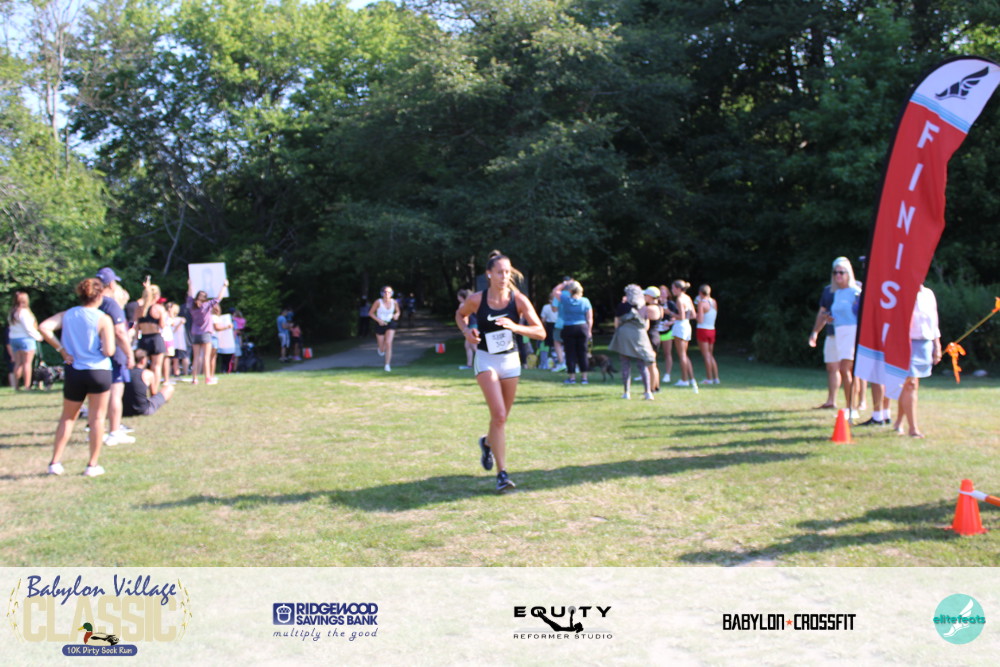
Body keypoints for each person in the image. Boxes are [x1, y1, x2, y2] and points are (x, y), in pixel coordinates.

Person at [455, 253, 545, 492]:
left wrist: (516, 327)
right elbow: (460, 315)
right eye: (499, 272)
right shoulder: (477, 299)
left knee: (501, 418)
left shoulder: (519, 300)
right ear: (489, 274)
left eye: (507, 272)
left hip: (510, 361)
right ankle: (502, 474)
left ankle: (487, 443)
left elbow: (541, 332)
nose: (504, 276)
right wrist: (466, 331)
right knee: (499, 413)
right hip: (486, 359)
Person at [37, 278, 116, 477]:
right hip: (98, 371)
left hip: (74, 369)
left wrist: (62, 350)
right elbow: (109, 351)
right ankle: (92, 465)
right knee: (97, 419)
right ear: (99, 295)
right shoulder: (103, 318)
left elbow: (44, 327)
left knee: (68, 417)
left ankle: (55, 462)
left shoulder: (68, 314)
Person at [893, 285, 942, 438]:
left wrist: (937, 345)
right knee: (910, 384)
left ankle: (899, 421)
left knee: (910, 384)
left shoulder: (928, 293)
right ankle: (913, 429)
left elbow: (934, 321)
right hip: (906, 342)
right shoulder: (901, 292)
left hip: (924, 343)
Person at [96, 267, 136, 446]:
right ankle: (114, 431)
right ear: (111, 284)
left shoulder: (91, 302)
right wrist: (129, 353)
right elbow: (120, 332)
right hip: (113, 351)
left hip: (95, 353)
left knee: (98, 394)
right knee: (115, 392)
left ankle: (97, 430)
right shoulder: (111, 304)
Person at [825, 257, 862, 418]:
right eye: (835, 272)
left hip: (852, 332)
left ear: (849, 274)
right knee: (845, 370)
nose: (838, 275)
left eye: (841, 272)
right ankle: (850, 407)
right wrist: (830, 319)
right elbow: (839, 314)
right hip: (839, 331)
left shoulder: (856, 292)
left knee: (846, 369)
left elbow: (861, 314)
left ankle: (852, 408)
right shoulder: (837, 293)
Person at [608, 284, 657, 400]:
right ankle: (648, 392)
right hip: (640, 336)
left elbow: (616, 323)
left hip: (624, 336)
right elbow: (646, 326)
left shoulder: (622, 306)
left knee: (625, 364)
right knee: (642, 365)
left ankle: (626, 392)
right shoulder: (644, 308)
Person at [187, 278, 228, 385]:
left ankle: (194, 379)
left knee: (196, 357)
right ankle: (208, 378)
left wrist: (190, 284)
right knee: (206, 357)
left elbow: (189, 295)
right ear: (205, 298)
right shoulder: (206, 305)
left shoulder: (191, 305)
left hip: (195, 334)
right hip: (205, 333)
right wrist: (224, 286)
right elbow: (219, 298)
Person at [553, 279, 593, 384]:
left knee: (570, 353)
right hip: (582, 327)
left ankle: (572, 378)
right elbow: (589, 318)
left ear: (570, 290)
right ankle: (584, 378)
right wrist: (589, 330)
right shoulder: (585, 301)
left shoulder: (566, 299)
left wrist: (564, 283)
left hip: (569, 328)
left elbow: (555, 291)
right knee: (583, 353)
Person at [136, 278, 168, 394]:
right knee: (156, 366)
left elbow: (137, 326)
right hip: (155, 339)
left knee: (142, 366)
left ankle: (141, 389)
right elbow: (162, 325)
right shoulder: (158, 308)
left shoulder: (139, 309)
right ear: (157, 296)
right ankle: (154, 390)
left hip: (143, 338)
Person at [7, 291, 43, 390]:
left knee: (18, 363)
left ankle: (16, 386)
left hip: (14, 339)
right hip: (26, 339)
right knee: (27, 363)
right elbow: (28, 328)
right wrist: (38, 336)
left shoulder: (12, 312)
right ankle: (27, 386)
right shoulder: (24, 312)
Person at [123, 348, 175, 417]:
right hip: (143, 410)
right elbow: (153, 394)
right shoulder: (148, 374)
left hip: (124, 410)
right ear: (143, 360)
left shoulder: (124, 373)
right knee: (169, 388)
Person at [669, 280, 697, 389]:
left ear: (678, 289)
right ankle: (690, 379)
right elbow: (693, 315)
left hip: (680, 327)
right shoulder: (688, 298)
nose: (672, 290)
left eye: (673, 288)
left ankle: (685, 379)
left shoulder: (680, 299)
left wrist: (670, 313)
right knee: (684, 354)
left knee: (682, 355)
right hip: (687, 326)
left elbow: (681, 316)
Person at [369, 286, 400, 372]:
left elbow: (398, 311)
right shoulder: (378, 302)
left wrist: (396, 315)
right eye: (385, 292)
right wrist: (379, 320)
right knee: (382, 348)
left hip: (390, 323)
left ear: (392, 293)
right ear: (382, 293)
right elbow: (371, 313)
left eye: (389, 292)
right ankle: (381, 349)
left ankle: (387, 365)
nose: (387, 294)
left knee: (388, 343)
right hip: (380, 324)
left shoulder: (394, 302)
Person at [696, 284, 720, 384]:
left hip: (703, 329)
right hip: (712, 329)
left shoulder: (701, 303)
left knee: (706, 355)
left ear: (700, 293)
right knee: (710, 355)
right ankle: (716, 378)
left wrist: (695, 314)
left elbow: (700, 320)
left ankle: (709, 378)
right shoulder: (714, 302)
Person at [641, 286, 663, 392]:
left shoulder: (649, 308)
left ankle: (651, 388)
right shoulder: (659, 307)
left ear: (650, 296)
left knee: (651, 364)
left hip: (650, 337)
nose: (644, 297)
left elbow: (645, 324)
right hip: (656, 336)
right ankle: (656, 386)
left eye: (645, 295)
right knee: (653, 364)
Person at [538, 291, 559, 370]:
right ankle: (557, 363)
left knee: (548, 345)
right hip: (558, 326)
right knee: (556, 345)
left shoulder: (546, 307)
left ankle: (545, 364)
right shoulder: (560, 306)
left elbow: (543, 319)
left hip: (549, 326)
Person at [457, 289, 477, 370]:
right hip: (473, 325)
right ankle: (469, 364)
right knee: (468, 346)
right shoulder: (471, 304)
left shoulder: (463, 305)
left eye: (458, 296)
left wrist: (464, 328)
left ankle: (482, 363)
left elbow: (465, 318)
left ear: (461, 297)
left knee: (474, 347)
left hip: (471, 327)